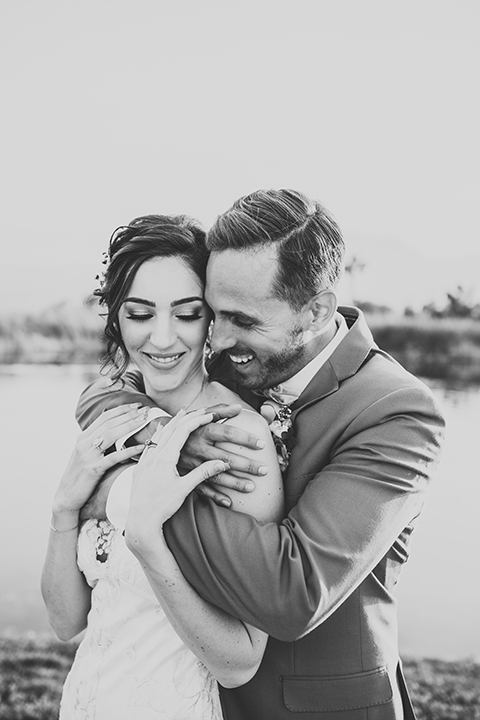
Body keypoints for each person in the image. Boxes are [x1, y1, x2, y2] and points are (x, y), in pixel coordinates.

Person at [76, 190, 446, 720]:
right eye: (213, 314)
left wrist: (119, 494)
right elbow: (105, 391)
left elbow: (292, 594)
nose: (218, 341)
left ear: (316, 309)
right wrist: (160, 432)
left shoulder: (396, 411)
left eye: (244, 322)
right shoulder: (234, 365)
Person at [41, 214, 284, 720]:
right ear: (116, 319)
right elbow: (66, 622)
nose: (162, 338)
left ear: (212, 319)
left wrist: (149, 545)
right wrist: (64, 510)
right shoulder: (118, 419)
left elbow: (240, 662)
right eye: (140, 314)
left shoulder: (236, 441)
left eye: (187, 313)